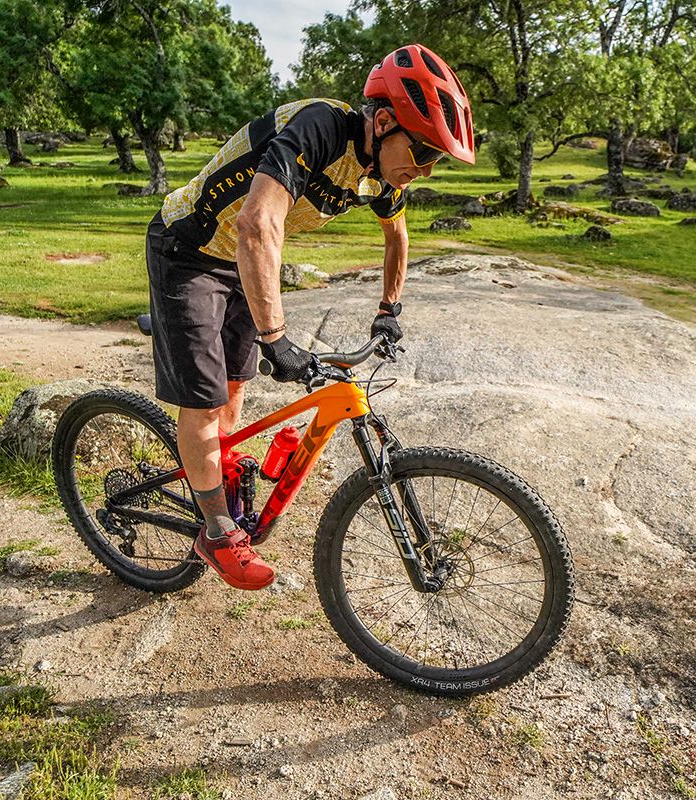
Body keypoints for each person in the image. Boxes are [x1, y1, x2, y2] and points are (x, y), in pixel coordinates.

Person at [144, 44, 476, 590]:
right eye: (421, 151)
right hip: (189, 251)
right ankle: (216, 531)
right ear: (385, 120)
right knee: (204, 403)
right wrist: (275, 335)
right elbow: (257, 223)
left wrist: (389, 310)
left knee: (235, 386)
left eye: (435, 160)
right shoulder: (320, 126)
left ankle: (216, 477)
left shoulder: (382, 174)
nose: (423, 170)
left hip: (242, 264)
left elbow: (397, 236)